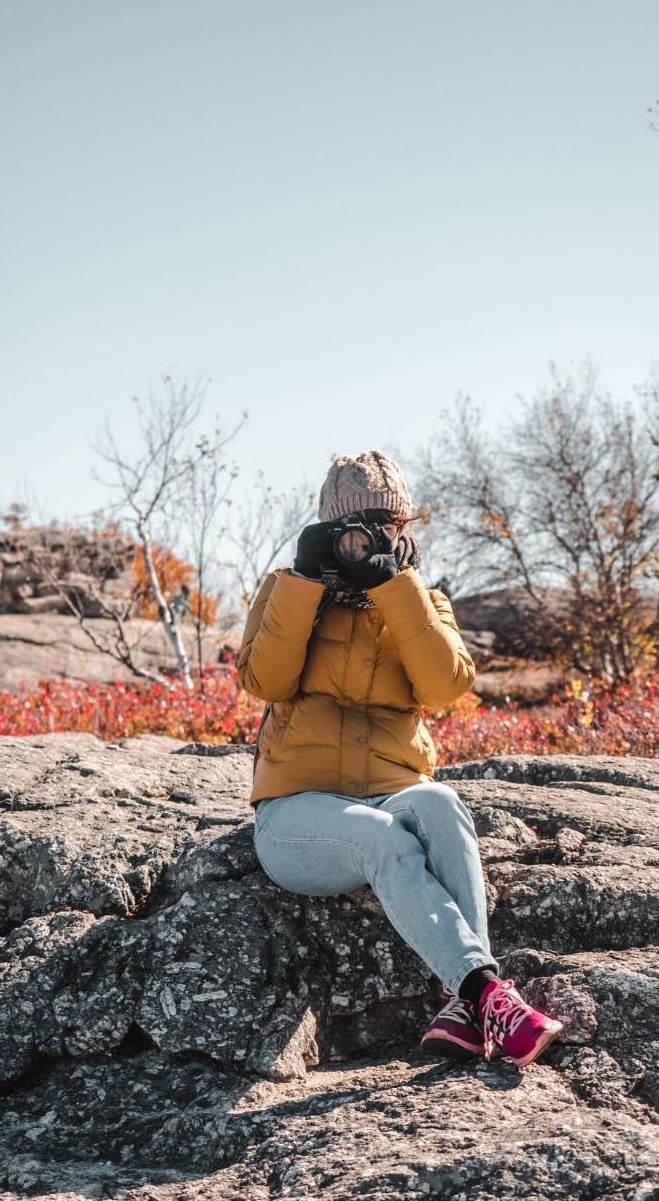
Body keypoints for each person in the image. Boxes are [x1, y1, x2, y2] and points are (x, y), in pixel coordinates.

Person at [236, 450, 562, 1066]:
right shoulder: (285, 591)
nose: (369, 539)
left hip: (391, 789)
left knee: (439, 801)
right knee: (383, 836)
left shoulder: (421, 600)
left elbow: (445, 686)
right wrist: (306, 581)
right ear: (327, 530)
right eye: (355, 527)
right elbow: (266, 681)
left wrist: (395, 588)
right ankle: (486, 993)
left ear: (404, 530)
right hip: (296, 816)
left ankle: (461, 1009)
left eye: (387, 525)